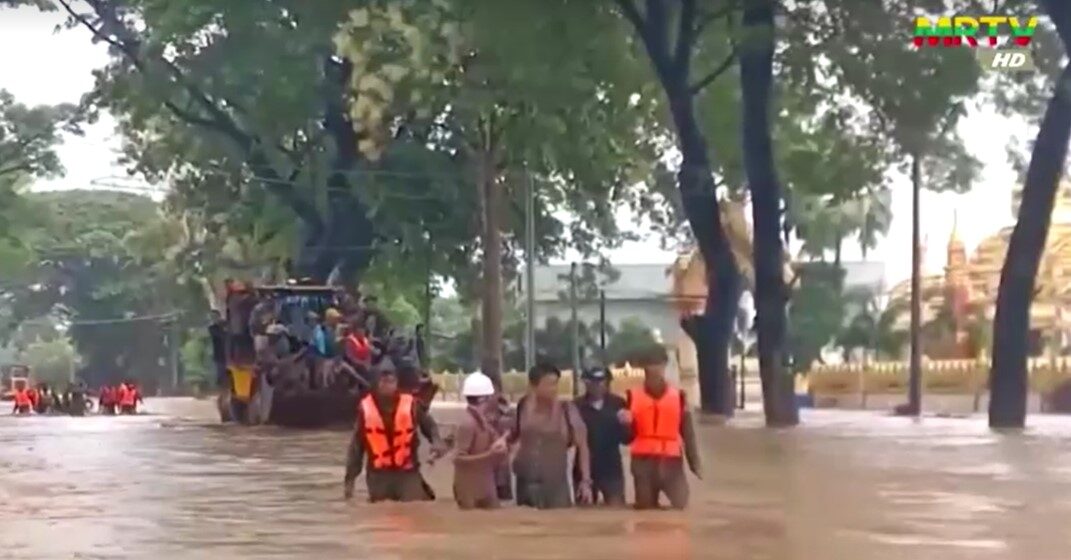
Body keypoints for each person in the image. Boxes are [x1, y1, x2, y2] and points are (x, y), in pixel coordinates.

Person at [343, 358, 448, 502]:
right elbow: (356, 448)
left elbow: (429, 426)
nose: (387, 385)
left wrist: (437, 441)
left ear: (397, 383)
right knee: (381, 517)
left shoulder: (411, 405)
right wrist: (350, 481)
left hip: (407, 473)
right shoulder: (366, 410)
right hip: (378, 477)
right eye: (383, 381)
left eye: (390, 381)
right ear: (377, 384)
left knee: (414, 510)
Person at [617, 348, 702, 510]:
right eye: (650, 365)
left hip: (671, 461)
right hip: (643, 461)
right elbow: (626, 438)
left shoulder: (679, 397)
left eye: (658, 364)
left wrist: (695, 463)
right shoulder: (631, 396)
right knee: (645, 509)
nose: (654, 369)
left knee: (681, 505)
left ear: (665, 365)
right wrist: (625, 424)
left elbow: (687, 433)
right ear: (643, 368)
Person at [509, 363, 593, 509]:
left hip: (555, 485)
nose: (554, 389)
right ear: (533, 386)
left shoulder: (567, 410)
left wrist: (585, 482)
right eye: (549, 385)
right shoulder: (523, 406)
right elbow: (513, 436)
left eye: (555, 384)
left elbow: (583, 447)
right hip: (525, 482)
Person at [574, 366, 630, 506]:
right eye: (592, 381)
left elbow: (627, 440)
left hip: (612, 469)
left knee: (616, 514)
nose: (596, 385)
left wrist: (627, 425)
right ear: (585, 383)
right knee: (583, 515)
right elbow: (569, 440)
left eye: (601, 381)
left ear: (608, 383)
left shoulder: (619, 404)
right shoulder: (576, 406)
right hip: (582, 470)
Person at [453, 372, 508, 510]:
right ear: (485, 399)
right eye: (494, 396)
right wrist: (489, 456)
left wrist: (502, 442)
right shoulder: (468, 424)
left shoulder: (483, 422)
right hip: (468, 488)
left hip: (486, 485)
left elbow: (497, 442)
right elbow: (458, 458)